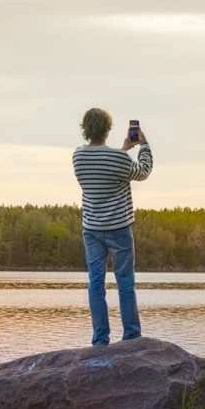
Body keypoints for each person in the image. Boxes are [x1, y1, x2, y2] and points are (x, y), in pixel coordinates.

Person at [72, 107, 154, 347]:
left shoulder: (78, 156)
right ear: (107, 130)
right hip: (119, 228)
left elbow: (104, 165)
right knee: (125, 282)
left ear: (85, 130)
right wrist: (144, 145)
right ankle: (131, 336)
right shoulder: (118, 159)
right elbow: (143, 172)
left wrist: (123, 150)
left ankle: (100, 339)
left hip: (92, 230)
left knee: (95, 283)